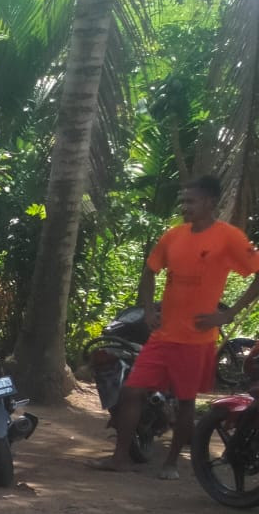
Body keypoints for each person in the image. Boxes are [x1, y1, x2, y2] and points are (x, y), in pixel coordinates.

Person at [93, 175, 259, 478]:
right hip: (163, 334)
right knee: (131, 392)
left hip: (197, 339)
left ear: (209, 202)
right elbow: (150, 270)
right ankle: (120, 457)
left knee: (186, 402)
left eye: (191, 201)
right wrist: (147, 308)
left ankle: (171, 464)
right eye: (183, 201)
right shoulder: (174, 235)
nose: (185, 207)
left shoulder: (228, 237)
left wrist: (230, 313)